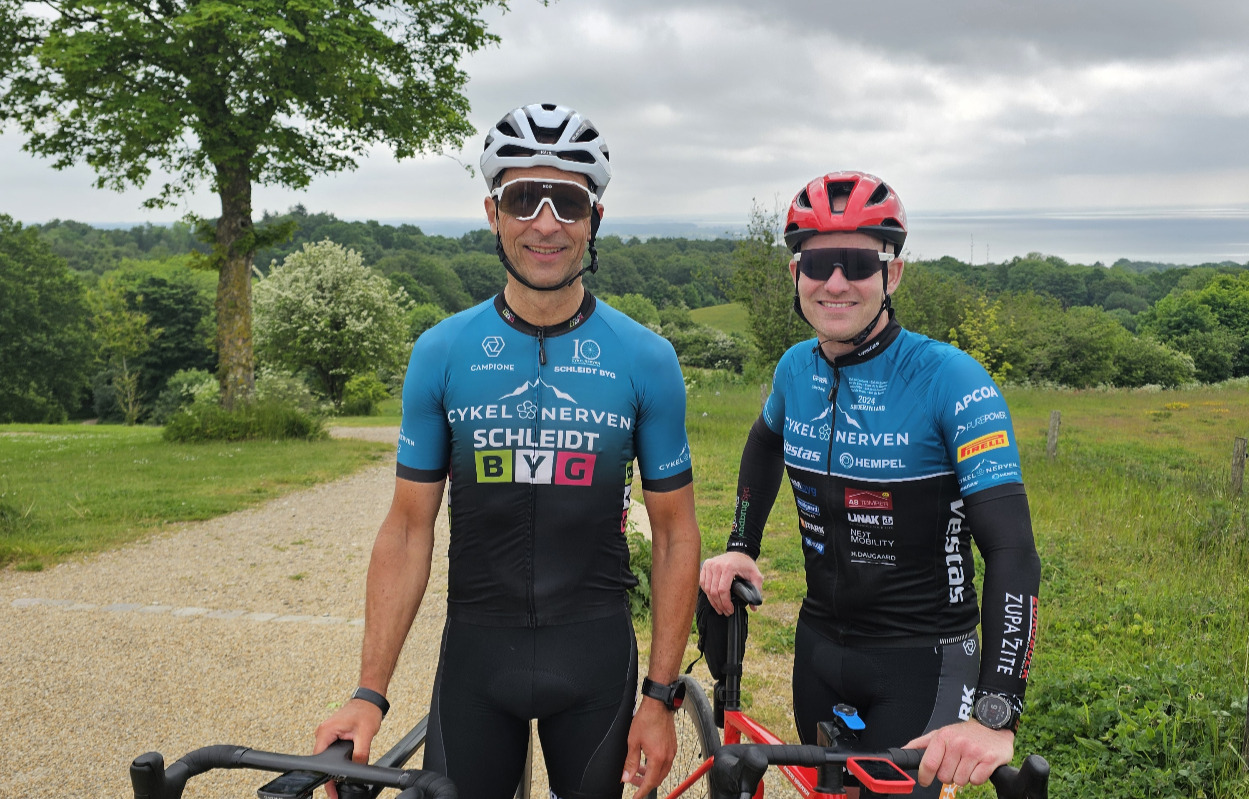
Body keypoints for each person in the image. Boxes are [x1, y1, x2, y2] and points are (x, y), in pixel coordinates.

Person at [314, 103, 702, 799]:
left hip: (595, 661)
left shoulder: (646, 358)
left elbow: (674, 535)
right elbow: (406, 528)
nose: (546, 222)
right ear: (493, 212)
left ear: (595, 220)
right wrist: (367, 693)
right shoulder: (441, 351)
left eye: (568, 201)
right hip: (475, 660)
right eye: (525, 198)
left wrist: (659, 697)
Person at [699, 172, 1041, 797]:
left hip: (925, 658)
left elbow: (1013, 552)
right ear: (795, 273)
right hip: (820, 644)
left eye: (858, 262)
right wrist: (742, 542)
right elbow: (764, 440)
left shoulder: (951, 379)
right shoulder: (794, 369)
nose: (836, 282)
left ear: (894, 274)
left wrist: (996, 714)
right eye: (819, 262)